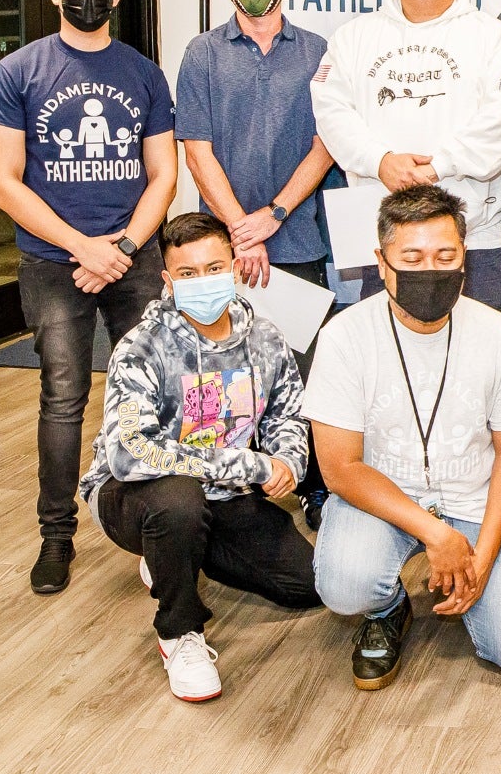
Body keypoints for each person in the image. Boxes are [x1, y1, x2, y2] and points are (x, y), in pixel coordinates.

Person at [0, 0, 178, 596]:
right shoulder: (18, 70)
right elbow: (4, 182)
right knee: (64, 395)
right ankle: (56, 536)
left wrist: (119, 248)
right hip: (52, 261)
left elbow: (163, 176)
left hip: (134, 256)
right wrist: (83, 246)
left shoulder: (144, 73)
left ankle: (160, 529)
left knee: (152, 393)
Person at [305, 185, 501, 688]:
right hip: (382, 499)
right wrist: (437, 534)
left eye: (445, 256)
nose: (429, 270)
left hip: (472, 499)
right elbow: (340, 468)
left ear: (465, 257)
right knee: (347, 584)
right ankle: (388, 609)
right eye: (411, 257)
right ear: (381, 260)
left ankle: (469, 578)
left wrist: (478, 560)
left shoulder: (495, 331)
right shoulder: (344, 337)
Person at [79, 213, 320, 702]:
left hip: (222, 496)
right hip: (132, 496)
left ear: (234, 269)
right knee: (177, 503)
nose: (203, 281)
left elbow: (289, 415)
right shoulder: (140, 348)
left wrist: (290, 461)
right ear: (168, 281)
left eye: (214, 268)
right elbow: (132, 454)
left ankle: (170, 555)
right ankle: (179, 632)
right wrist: (254, 467)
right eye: (187, 274)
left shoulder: (266, 338)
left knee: (310, 585)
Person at [175, 0, 338, 525]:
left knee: (304, 374)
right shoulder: (203, 53)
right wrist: (240, 231)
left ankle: (315, 486)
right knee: (220, 374)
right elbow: (197, 148)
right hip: (219, 250)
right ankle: (230, 490)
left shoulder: (319, 50)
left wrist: (272, 217)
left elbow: (326, 144)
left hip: (295, 239)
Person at [311, 0, 501, 312]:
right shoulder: (354, 37)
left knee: (476, 357)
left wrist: (439, 167)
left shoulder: (493, 37)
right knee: (386, 359)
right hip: (386, 236)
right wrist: (379, 162)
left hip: (472, 238)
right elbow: (331, 110)